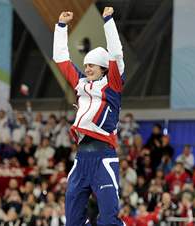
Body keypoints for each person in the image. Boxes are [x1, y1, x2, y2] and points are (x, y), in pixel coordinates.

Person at [53, 6, 125, 225]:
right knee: (73, 221)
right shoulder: (81, 84)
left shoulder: (112, 85)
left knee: (108, 221)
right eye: (86, 65)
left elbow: (117, 54)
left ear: (104, 67)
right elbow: (60, 58)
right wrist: (61, 27)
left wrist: (108, 21)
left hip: (103, 158)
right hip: (81, 158)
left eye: (92, 65)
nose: (88, 68)